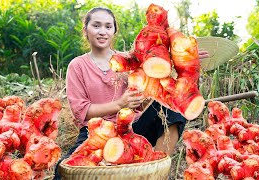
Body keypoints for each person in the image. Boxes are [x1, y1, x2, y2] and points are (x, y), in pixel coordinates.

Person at [54, 7, 209, 179]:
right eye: (96, 26)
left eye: (108, 26)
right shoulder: (77, 66)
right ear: (86, 30)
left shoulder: (130, 59)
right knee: (61, 172)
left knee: (172, 110)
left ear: (114, 31)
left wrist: (186, 59)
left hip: (133, 129)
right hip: (97, 134)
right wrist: (120, 104)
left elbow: (147, 90)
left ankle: (154, 168)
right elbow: (81, 110)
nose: (102, 32)